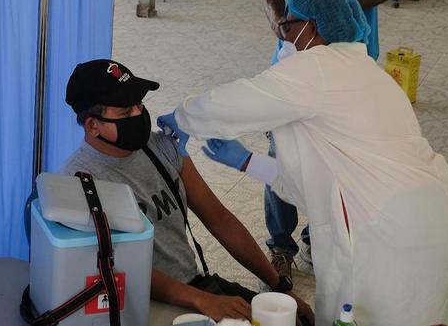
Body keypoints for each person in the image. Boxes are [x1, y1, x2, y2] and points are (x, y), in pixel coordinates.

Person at [164, 0, 448, 326]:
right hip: (441, 220)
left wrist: (182, 116)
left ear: (311, 27)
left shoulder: (319, 67)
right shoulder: (370, 74)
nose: (283, 35)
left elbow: (237, 101)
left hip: (394, 240)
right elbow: (316, 182)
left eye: (288, 24)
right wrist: (248, 162)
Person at [253, 0, 411, 276]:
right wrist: (283, 28)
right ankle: (279, 245)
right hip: (298, 52)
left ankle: (317, 239)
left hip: (352, 53)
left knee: (334, 155)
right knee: (283, 151)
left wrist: (332, 11)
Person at [60, 60, 312, 324]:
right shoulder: (81, 183)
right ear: (92, 126)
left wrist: (279, 287)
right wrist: (202, 300)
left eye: (140, 105)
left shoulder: (159, 147)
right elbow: (122, 272)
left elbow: (220, 220)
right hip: (137, 304)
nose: (138, 114)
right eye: (126, 112)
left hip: (195, 287)